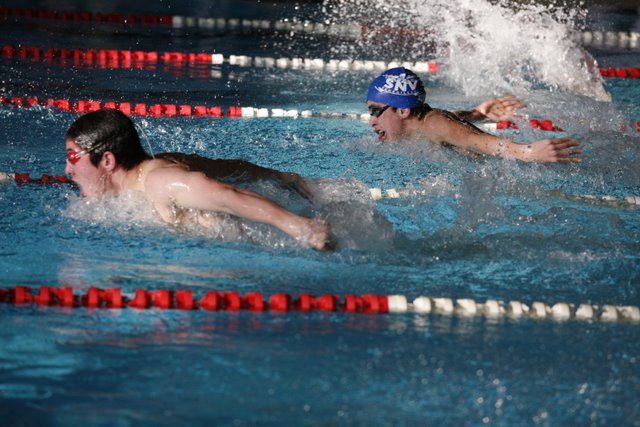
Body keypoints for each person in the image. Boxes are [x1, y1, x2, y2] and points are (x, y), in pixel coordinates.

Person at [64, 108, 329, 250]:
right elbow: (231, 168)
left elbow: (228, 196)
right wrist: (285, 178)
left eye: (73, 157)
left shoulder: (160, 181)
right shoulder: (159, 164)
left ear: (107, 161)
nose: (68, 170)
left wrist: (298, 226)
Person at [366, 67, 582, 163]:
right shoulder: (427, 122)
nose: (371, 121)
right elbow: (452, 124)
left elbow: (479, 141)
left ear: (403, 110)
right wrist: (476, 113)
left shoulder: (434, 124)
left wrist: (527, 152)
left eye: (376, 111)